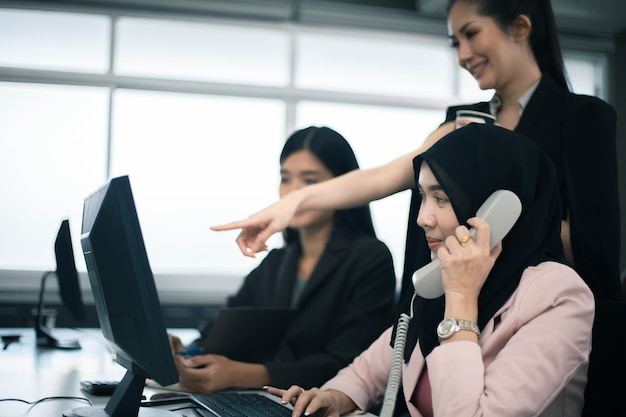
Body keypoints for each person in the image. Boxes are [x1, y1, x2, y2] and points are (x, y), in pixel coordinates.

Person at [211, 0, 621, 303]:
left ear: (519, 27)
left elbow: (592, 248)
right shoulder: (462, 123)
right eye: (454, 41)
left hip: (538, 316)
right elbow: (384, 177)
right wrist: (292, 204)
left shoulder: (583, 118)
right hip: (459, 314)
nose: (462, 55)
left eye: (472, 34)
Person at [266, 123, 595, 417]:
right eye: (422, 197)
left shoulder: (558, 296)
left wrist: (461, 300)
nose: (423, 217)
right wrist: (335, 398)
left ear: (496, 212)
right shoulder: (435, 284)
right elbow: (365, 374)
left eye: (441, 199)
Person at [169, 126, 397, 393]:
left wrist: (244, 374)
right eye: (286, 179)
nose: (293, 193)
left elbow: (351, 363)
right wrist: (185, 353)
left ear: (343, 187)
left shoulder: (370, 259)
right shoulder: (277, 261)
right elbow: (221, 334)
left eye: (310, 181)